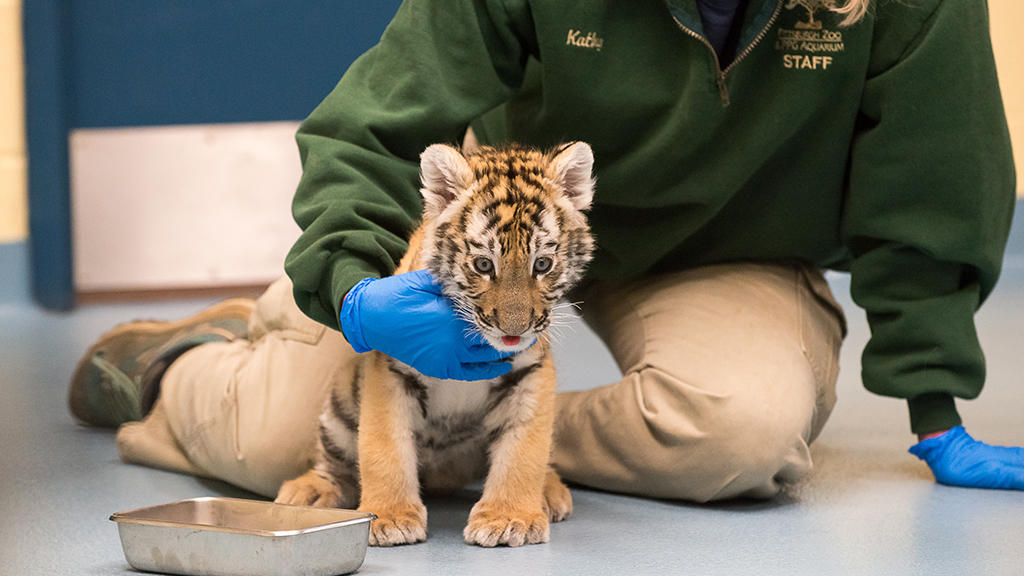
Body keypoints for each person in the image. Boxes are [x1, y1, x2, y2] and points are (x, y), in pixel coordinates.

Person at [70, 0, 1023, 502]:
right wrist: (353, 287)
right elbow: (367, 130)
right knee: (295, 445)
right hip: (507, 241)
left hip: (730, 252)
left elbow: (934, 177)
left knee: (739, 434)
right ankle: (180, 364)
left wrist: (933, 407)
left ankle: (475, 441)